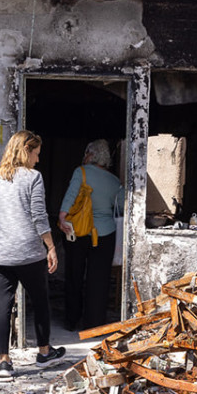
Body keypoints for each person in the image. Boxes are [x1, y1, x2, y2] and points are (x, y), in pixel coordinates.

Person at [0, 130, 66, 379]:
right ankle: (44, 352)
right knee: (41, 301)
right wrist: (51, 247)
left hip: (1, 252)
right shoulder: (33, 177)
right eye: (36, 153)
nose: (38, 159)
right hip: (29, 252)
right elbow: (39, 216)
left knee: (3, 304)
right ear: (26, 151)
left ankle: (3, 362)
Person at [58, 139, 123, 331]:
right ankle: (94, 324)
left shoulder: (82, 172)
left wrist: (62, 217)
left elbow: (71, 196)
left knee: (74, 275)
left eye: (86, 152)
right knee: (99, 279)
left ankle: (72, 321)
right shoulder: (115, 180)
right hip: (105, 234)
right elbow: (118, 207)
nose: (84, 156)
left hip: (79, 231)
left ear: (92, 155)